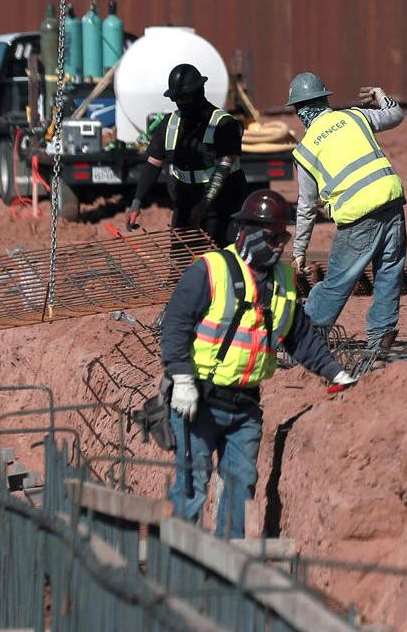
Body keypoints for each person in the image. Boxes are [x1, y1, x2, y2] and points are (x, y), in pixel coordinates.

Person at [161, 189, 352, 539]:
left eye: (282, 236)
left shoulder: (283, 281)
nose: (279, 244)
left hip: (244, 406)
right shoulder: (211, 270)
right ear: (247, 232)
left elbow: (300, 337)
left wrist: (334, 371)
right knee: (191, 485)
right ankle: (178, 569)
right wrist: (181, 378)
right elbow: (174, 325)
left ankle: (228, 568)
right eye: (272, 237)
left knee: (241, 487)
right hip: (198, 402)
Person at [286, 73, 407, 353]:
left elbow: (306, 207)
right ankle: (381, 341)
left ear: (298, 110)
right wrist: (381, 96)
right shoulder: (355, 116)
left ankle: (304, 338)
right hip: (391, 201)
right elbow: (395, 114)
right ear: (325, 99)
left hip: (358, 216)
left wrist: (299, 251)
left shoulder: (305, 150)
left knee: (337, 282)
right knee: (389, 272)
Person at [127, 63, 250, 248]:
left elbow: (224, 167)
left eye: (186, 97)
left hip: (223, 205)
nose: (182, 103)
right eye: (177, 98)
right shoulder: (169, 124)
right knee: (181, 262)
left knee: (225, 260)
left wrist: (204, 204)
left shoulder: (223, 124)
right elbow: (153, 164)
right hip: (185, 203)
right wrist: (137, 202)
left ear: (199, 91)